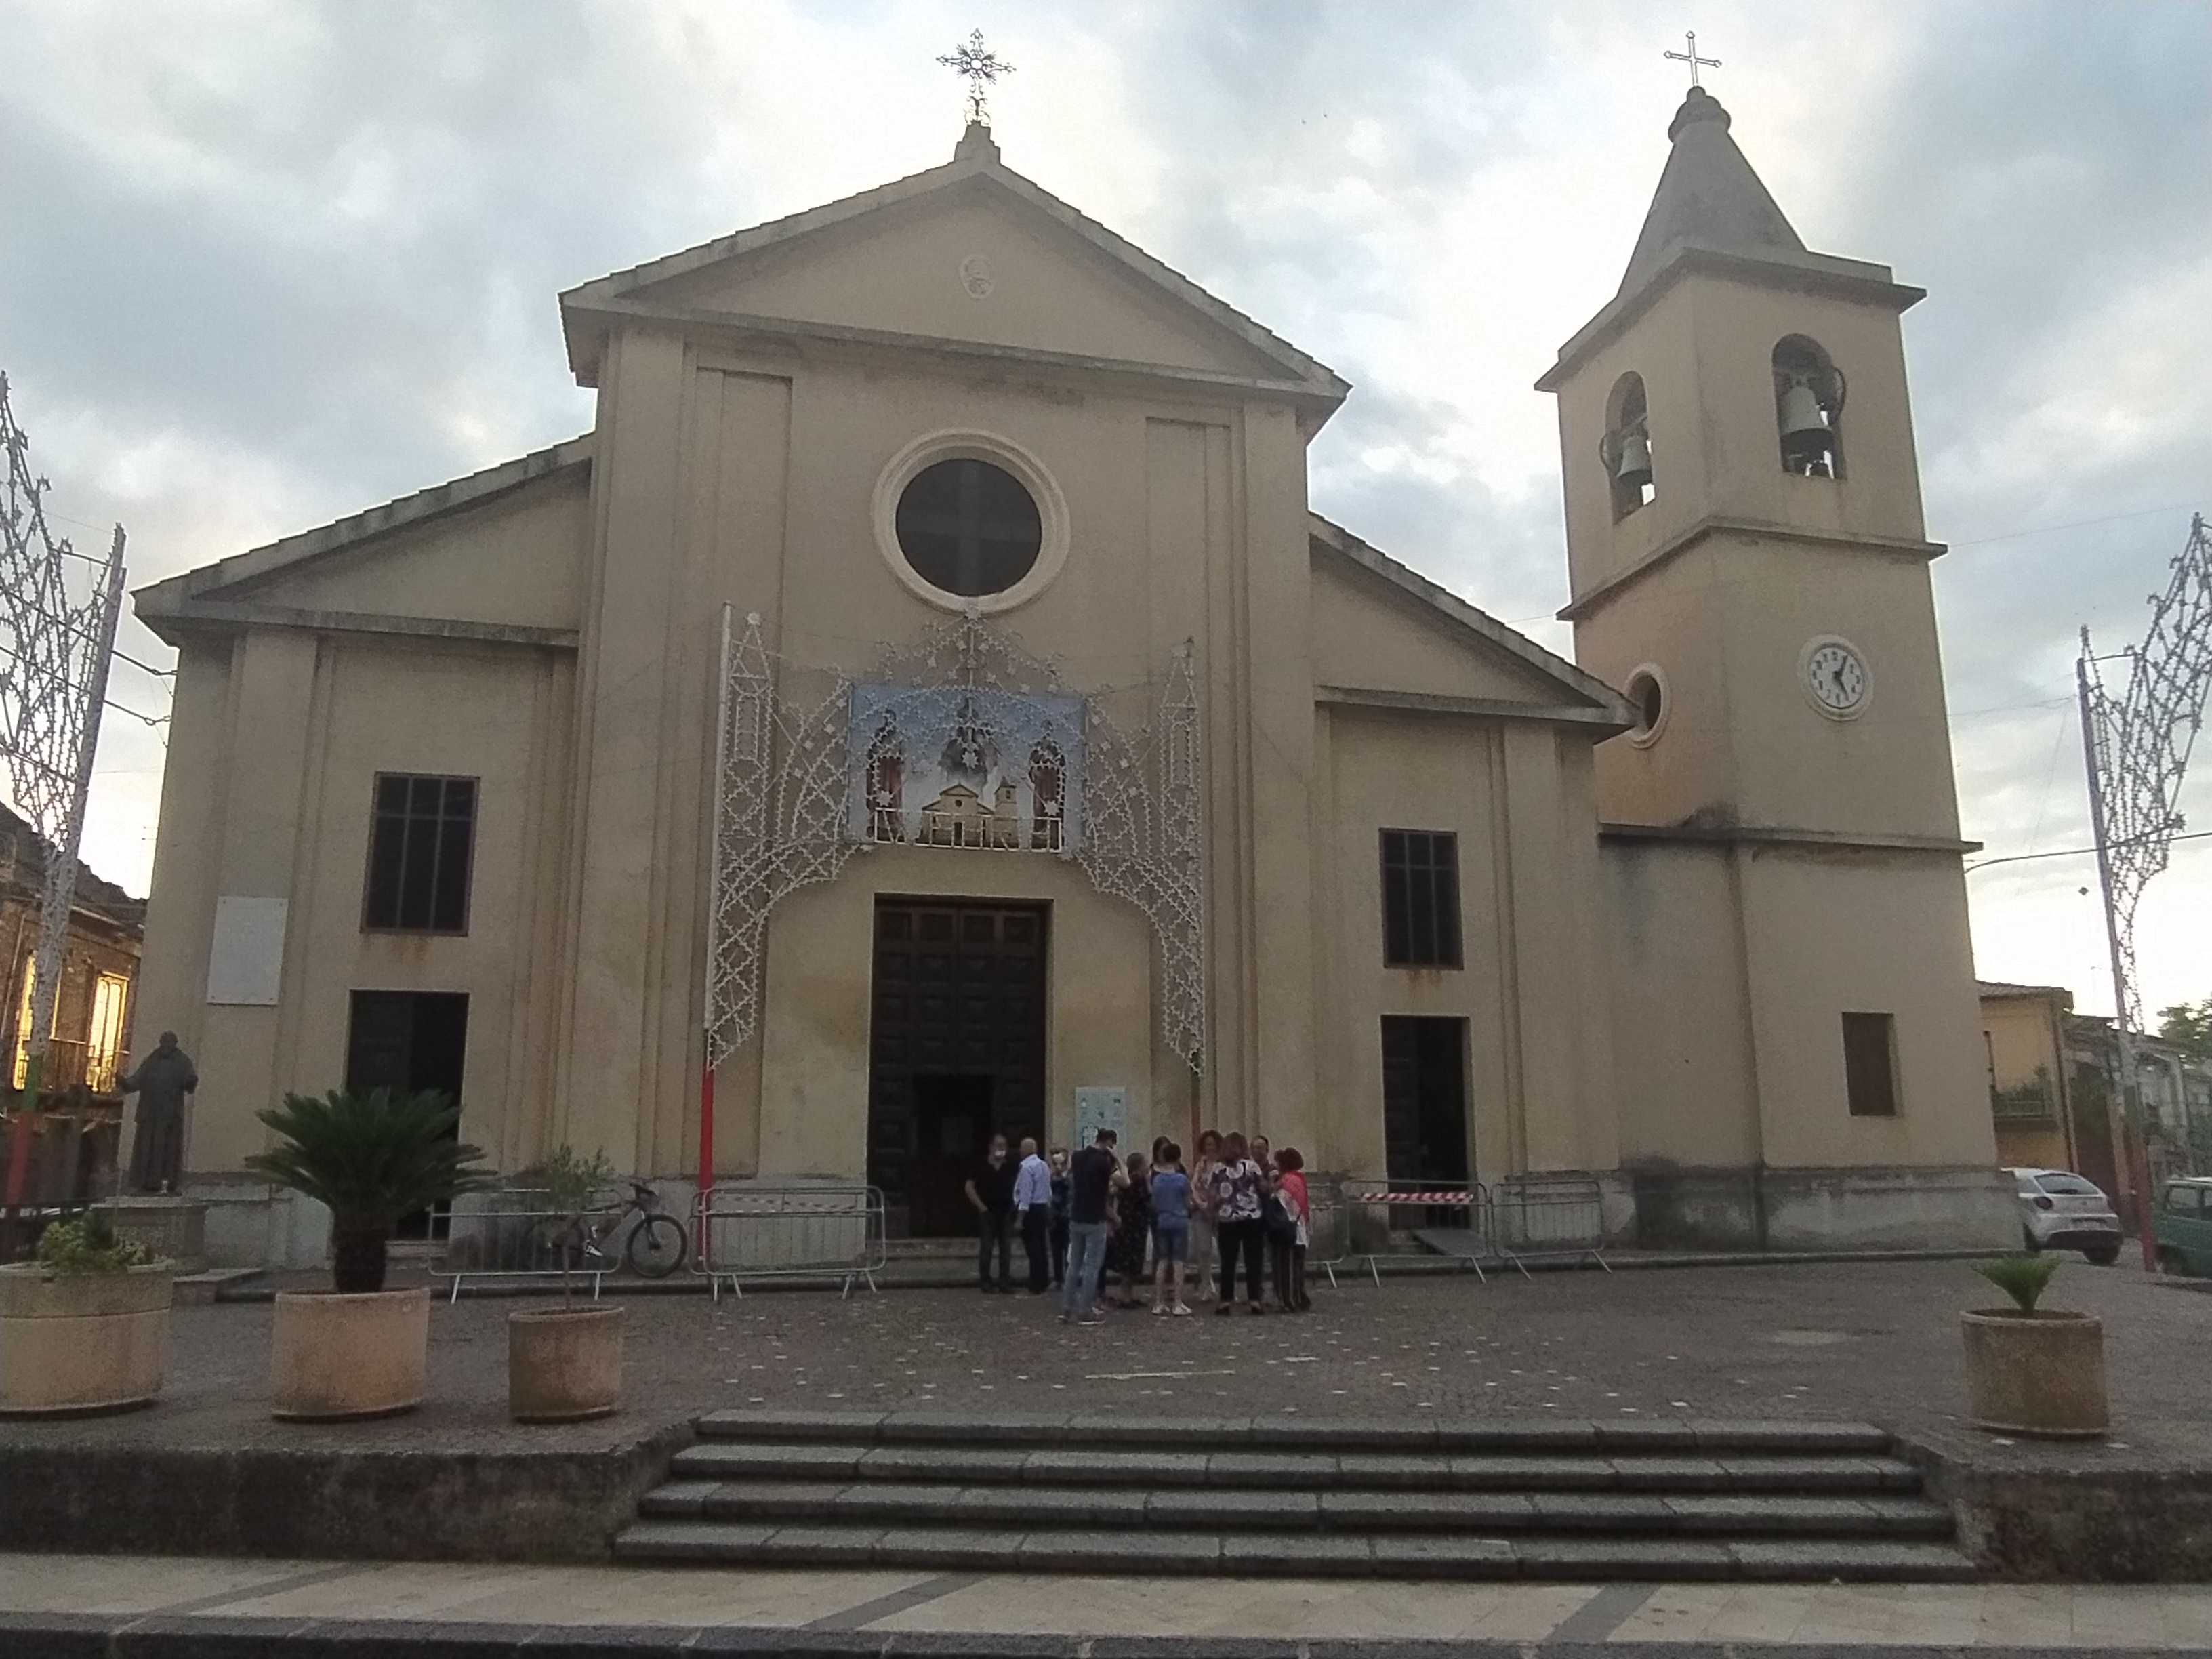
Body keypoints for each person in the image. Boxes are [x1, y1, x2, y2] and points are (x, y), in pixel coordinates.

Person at [1060, 1128, 1126, 1324]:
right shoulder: (1103, 1162)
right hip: (1095, 1218)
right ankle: (1085, 1310)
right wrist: (1119, 1159)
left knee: (1074, 1265)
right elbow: (1125, 1181)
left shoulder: (1078, 1157)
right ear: (1109, 1143)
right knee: (1092, 1266)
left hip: (1077, 1216)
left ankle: (1067, 1308)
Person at [120, 1031, 199, 1195]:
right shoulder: (152, 1060)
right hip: (149, 1115)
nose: (165, 1046)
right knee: (146, 1149)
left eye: (169, 1043)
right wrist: (124, 1083)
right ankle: (143, 1183)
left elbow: (189, 1083)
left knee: (167, 1152)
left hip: (169, 1118)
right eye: (163, 1043)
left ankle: (167, 1183)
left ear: (174, 1044)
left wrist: (191, 1081)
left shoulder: (182, 1062)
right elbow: (137, 1079)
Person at [1207, 1131, 1268, 1315]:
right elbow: (1262, 1188)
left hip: (1228, 1219)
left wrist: (1214, 1211)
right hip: (1252, 1218)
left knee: (1228, 1261)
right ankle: (1254, 1299)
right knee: (1253, 1260)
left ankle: (1225, 1300)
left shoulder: (1218, 1168)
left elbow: (1212, 1194)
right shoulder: (1251, 1166)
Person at [964, 1133, 1017, 1293]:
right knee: (987, 1248)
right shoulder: (981, 1165)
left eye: (1004, 1146)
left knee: (1006, 1249)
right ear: (991, 1147)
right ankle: (985, 1281)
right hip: (988, 1213)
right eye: (998, 1145)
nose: (1000, 1149)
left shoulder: (1011, 1166)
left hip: (1006, 1212)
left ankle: (1004, 1281)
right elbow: (969, 1187)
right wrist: (982, 1207)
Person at [1148, 1141, 1193, 1315]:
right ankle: (1178, 1303)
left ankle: (1159, 1303)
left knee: (1162, 1261)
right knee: (1178, 1263)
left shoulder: (1157, 1180)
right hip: (1179, 1221)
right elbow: (1188, 1202)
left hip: (1162, 1221)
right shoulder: (1181, 1179)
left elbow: (1154, 1203)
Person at [1105, 1149, 1152, 1308]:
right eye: (1145, 1164)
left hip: (1136, 1224)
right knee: (1128, 1263)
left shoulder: (1136, 1180)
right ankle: (1125, 1296)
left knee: (1133, 1262)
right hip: (1130, 1225)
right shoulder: (1134, 1181)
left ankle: (1130, 1295)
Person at [1272, 1146, 1313, 1313]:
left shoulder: (1286, 1181)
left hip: (1287, 1228)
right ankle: (1300, 1296)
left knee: (1285, 1266)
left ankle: (1288, 1299)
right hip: (1301, 1226)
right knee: (1298, 1266)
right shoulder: (1300, 1179)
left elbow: (1281, 1202)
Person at [1012, 1136, 1054, 1294]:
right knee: (1041, 1247)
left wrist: (1020, 1219)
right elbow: (1048, 1191)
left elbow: (1025, 1195)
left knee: (1033, 1249)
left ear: (1026, 1150)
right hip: (1042, 1208)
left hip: (1031, 1210)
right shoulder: (1043, 1166)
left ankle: (1035, 1283)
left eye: (1022, 1148)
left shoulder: (1026, 1168)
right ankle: (1043, 1280)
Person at [1189, 1128, 1223, 1295]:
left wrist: (1213, 1205)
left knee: (1225, 1251)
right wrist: (1200, 1203)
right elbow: (1193, 1185)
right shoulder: (1200, 1165)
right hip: (1201, 1212)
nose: (1210, 1147)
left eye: (1213, 1144)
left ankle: (1226, 1286)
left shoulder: (1223, 1165)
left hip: (1219, 1212)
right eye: (1207, 1144)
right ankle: (1206, 1284)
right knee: (1204, 1250)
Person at [1047, 1146, 1072, 1286]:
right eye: (1055, 1164)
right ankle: (1058, 1278)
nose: (1057, 1167)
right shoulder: (1050, 1179)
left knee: (1067, 1250)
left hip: (1066, 1218)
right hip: (1055, 1218)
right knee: (1056, 1250)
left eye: (1060, 1164)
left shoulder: (1069, 1179)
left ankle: (1068, 1278)